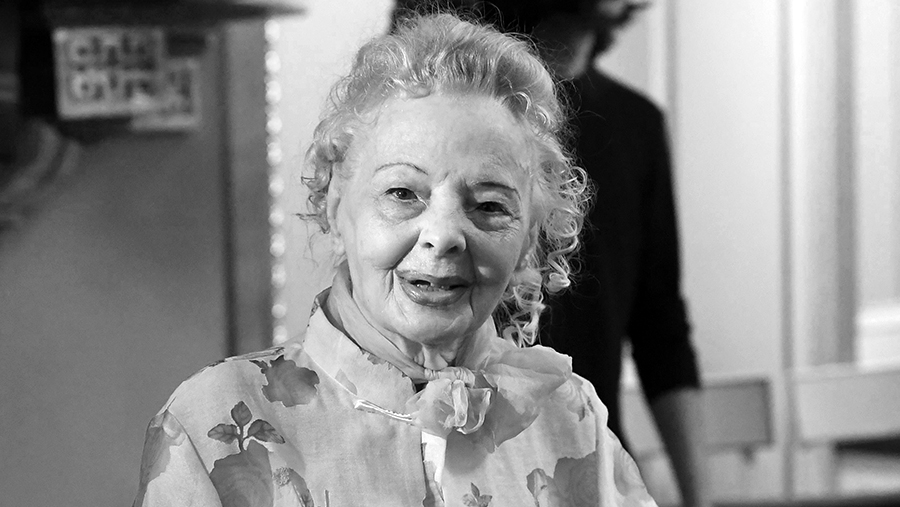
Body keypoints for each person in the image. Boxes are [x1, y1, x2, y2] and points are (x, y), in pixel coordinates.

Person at [133, 12, 658, 507]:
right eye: (402, 193)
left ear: (528, 241)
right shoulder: (213, 424)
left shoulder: (572, 419)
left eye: (490, 206)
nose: (444, 236)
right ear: (334, 206)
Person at [533, 4, 711, 507]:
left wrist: (700, 499)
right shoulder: (477, 114)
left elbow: (661, 328)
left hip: (597, 474)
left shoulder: (637, 124)